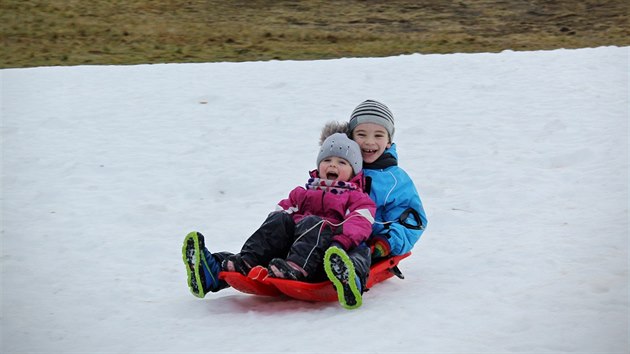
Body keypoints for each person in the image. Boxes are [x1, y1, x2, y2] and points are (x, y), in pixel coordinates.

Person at [182, 133, 376, 304]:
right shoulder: (302, 193)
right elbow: (280, 212)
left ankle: (297, 269)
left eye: (342, 162)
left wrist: (340, 243)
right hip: (288, 250)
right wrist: (278, 224)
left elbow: (360, 222)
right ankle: (243, 262)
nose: (333, 164)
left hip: (322, 253)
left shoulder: (357, 197)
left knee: (314, 223)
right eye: (327, 160)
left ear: (353, 172)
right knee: (279, 220)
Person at [320, 99, 428, 309]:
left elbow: (414, 220)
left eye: (378, 135)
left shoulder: (395, 180)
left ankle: (351, 279)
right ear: (351, 137)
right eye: (361, 135)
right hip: (331, 235)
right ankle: (265, 262)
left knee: (359, 252)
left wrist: (385, 243)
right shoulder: (340, 166)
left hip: (370, 242)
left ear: (389, 140)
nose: (369, 142)